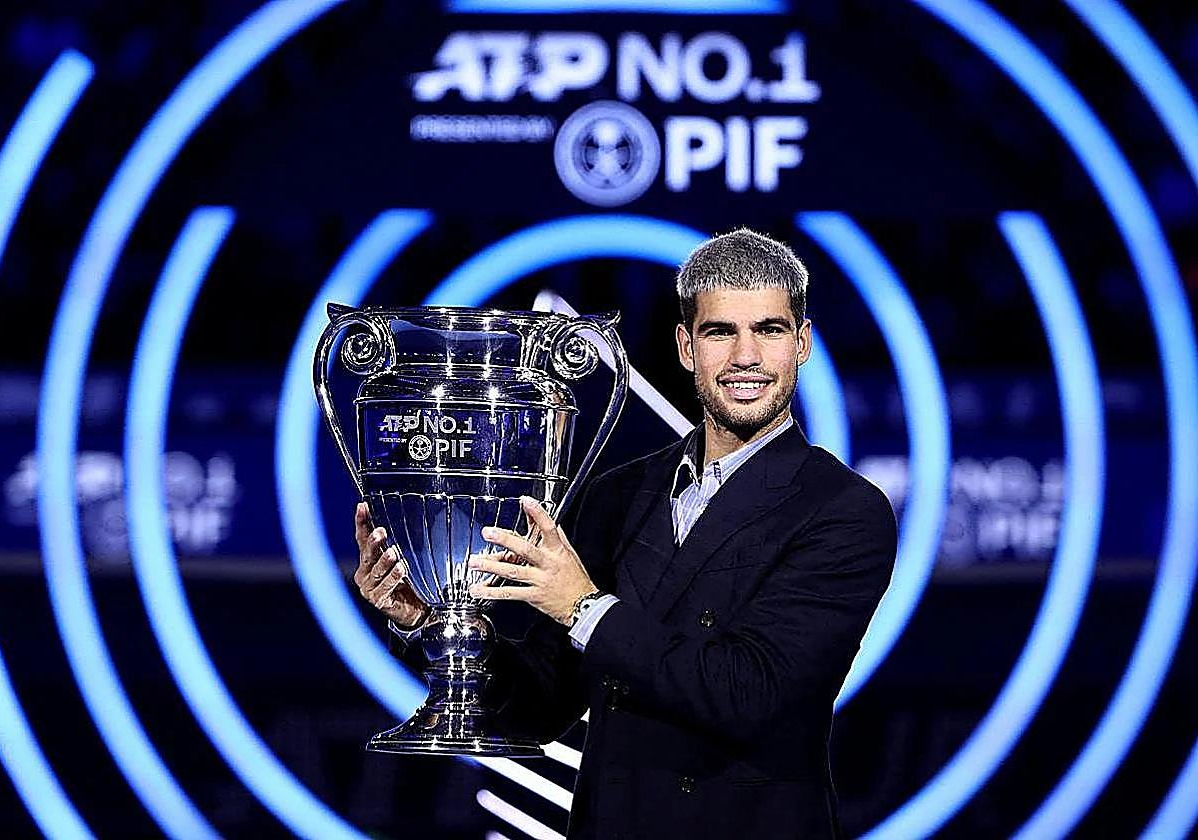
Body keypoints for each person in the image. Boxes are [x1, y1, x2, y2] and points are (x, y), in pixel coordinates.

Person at [354, 228, 897, 839]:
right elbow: (540, 708)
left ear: (802, 343)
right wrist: (430, 621)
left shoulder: (844, 510)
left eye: (768, 330)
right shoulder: (617, 494)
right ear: (686, 347)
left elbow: (750, 696)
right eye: (721, 332)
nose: (746, 357)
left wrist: (584, 608)